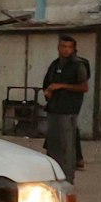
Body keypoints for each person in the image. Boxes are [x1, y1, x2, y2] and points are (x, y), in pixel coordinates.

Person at [40, 35, 91, 181]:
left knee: (66, 146)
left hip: (68, 110)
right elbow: (46, 83)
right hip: (54, 108)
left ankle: (68, 178)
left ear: (74, 49)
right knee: (52, 145)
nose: (66, 50)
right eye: (63, 46)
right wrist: (48, 91)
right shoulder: (55, 64)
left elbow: (83, 87)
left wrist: (61, 86)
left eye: (69, 47)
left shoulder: (78, 65)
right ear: (58, 48)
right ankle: (52, 176)